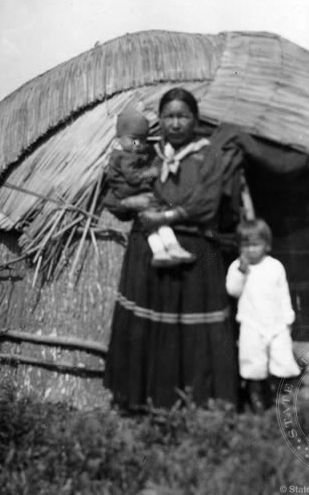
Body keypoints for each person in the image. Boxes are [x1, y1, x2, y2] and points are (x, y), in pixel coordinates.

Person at [103, 87, 247, 410]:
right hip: (147, 253)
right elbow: (112, 196)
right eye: (169, 116)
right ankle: (146, 401)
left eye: (183, 116)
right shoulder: (146, 154)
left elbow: (207, 204)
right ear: (160, 120)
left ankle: (201, 403)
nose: (176, 123)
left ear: (195, 119)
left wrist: (165, 214)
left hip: (196, 252)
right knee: (150, 324)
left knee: (195, 327)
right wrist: (130, 201)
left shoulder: (208, 155)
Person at [103, 105, 196, 267]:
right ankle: (172, 246)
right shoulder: (125, 157)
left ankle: (160, 251)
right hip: (129, 192)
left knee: (151, 224)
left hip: (131, 194)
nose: (138, 144)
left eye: (142, 140)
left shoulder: (129, 155)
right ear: (120, 139)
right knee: (157, 220)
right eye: (133, 140)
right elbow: (133, 178)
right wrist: (151, 173)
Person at [226, 218, 300, 412]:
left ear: (266, 245)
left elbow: (283, 294)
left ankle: (283, 398)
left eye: (256, 245)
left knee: (282, 359)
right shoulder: (237, 267)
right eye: (246, 245)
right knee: (253, 361)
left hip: (276, 324)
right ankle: (257, 398)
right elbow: (233, 291)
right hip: (251, 323)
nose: (251, 250)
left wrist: (288, 319)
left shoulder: (275, 266)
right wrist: (241, 272)